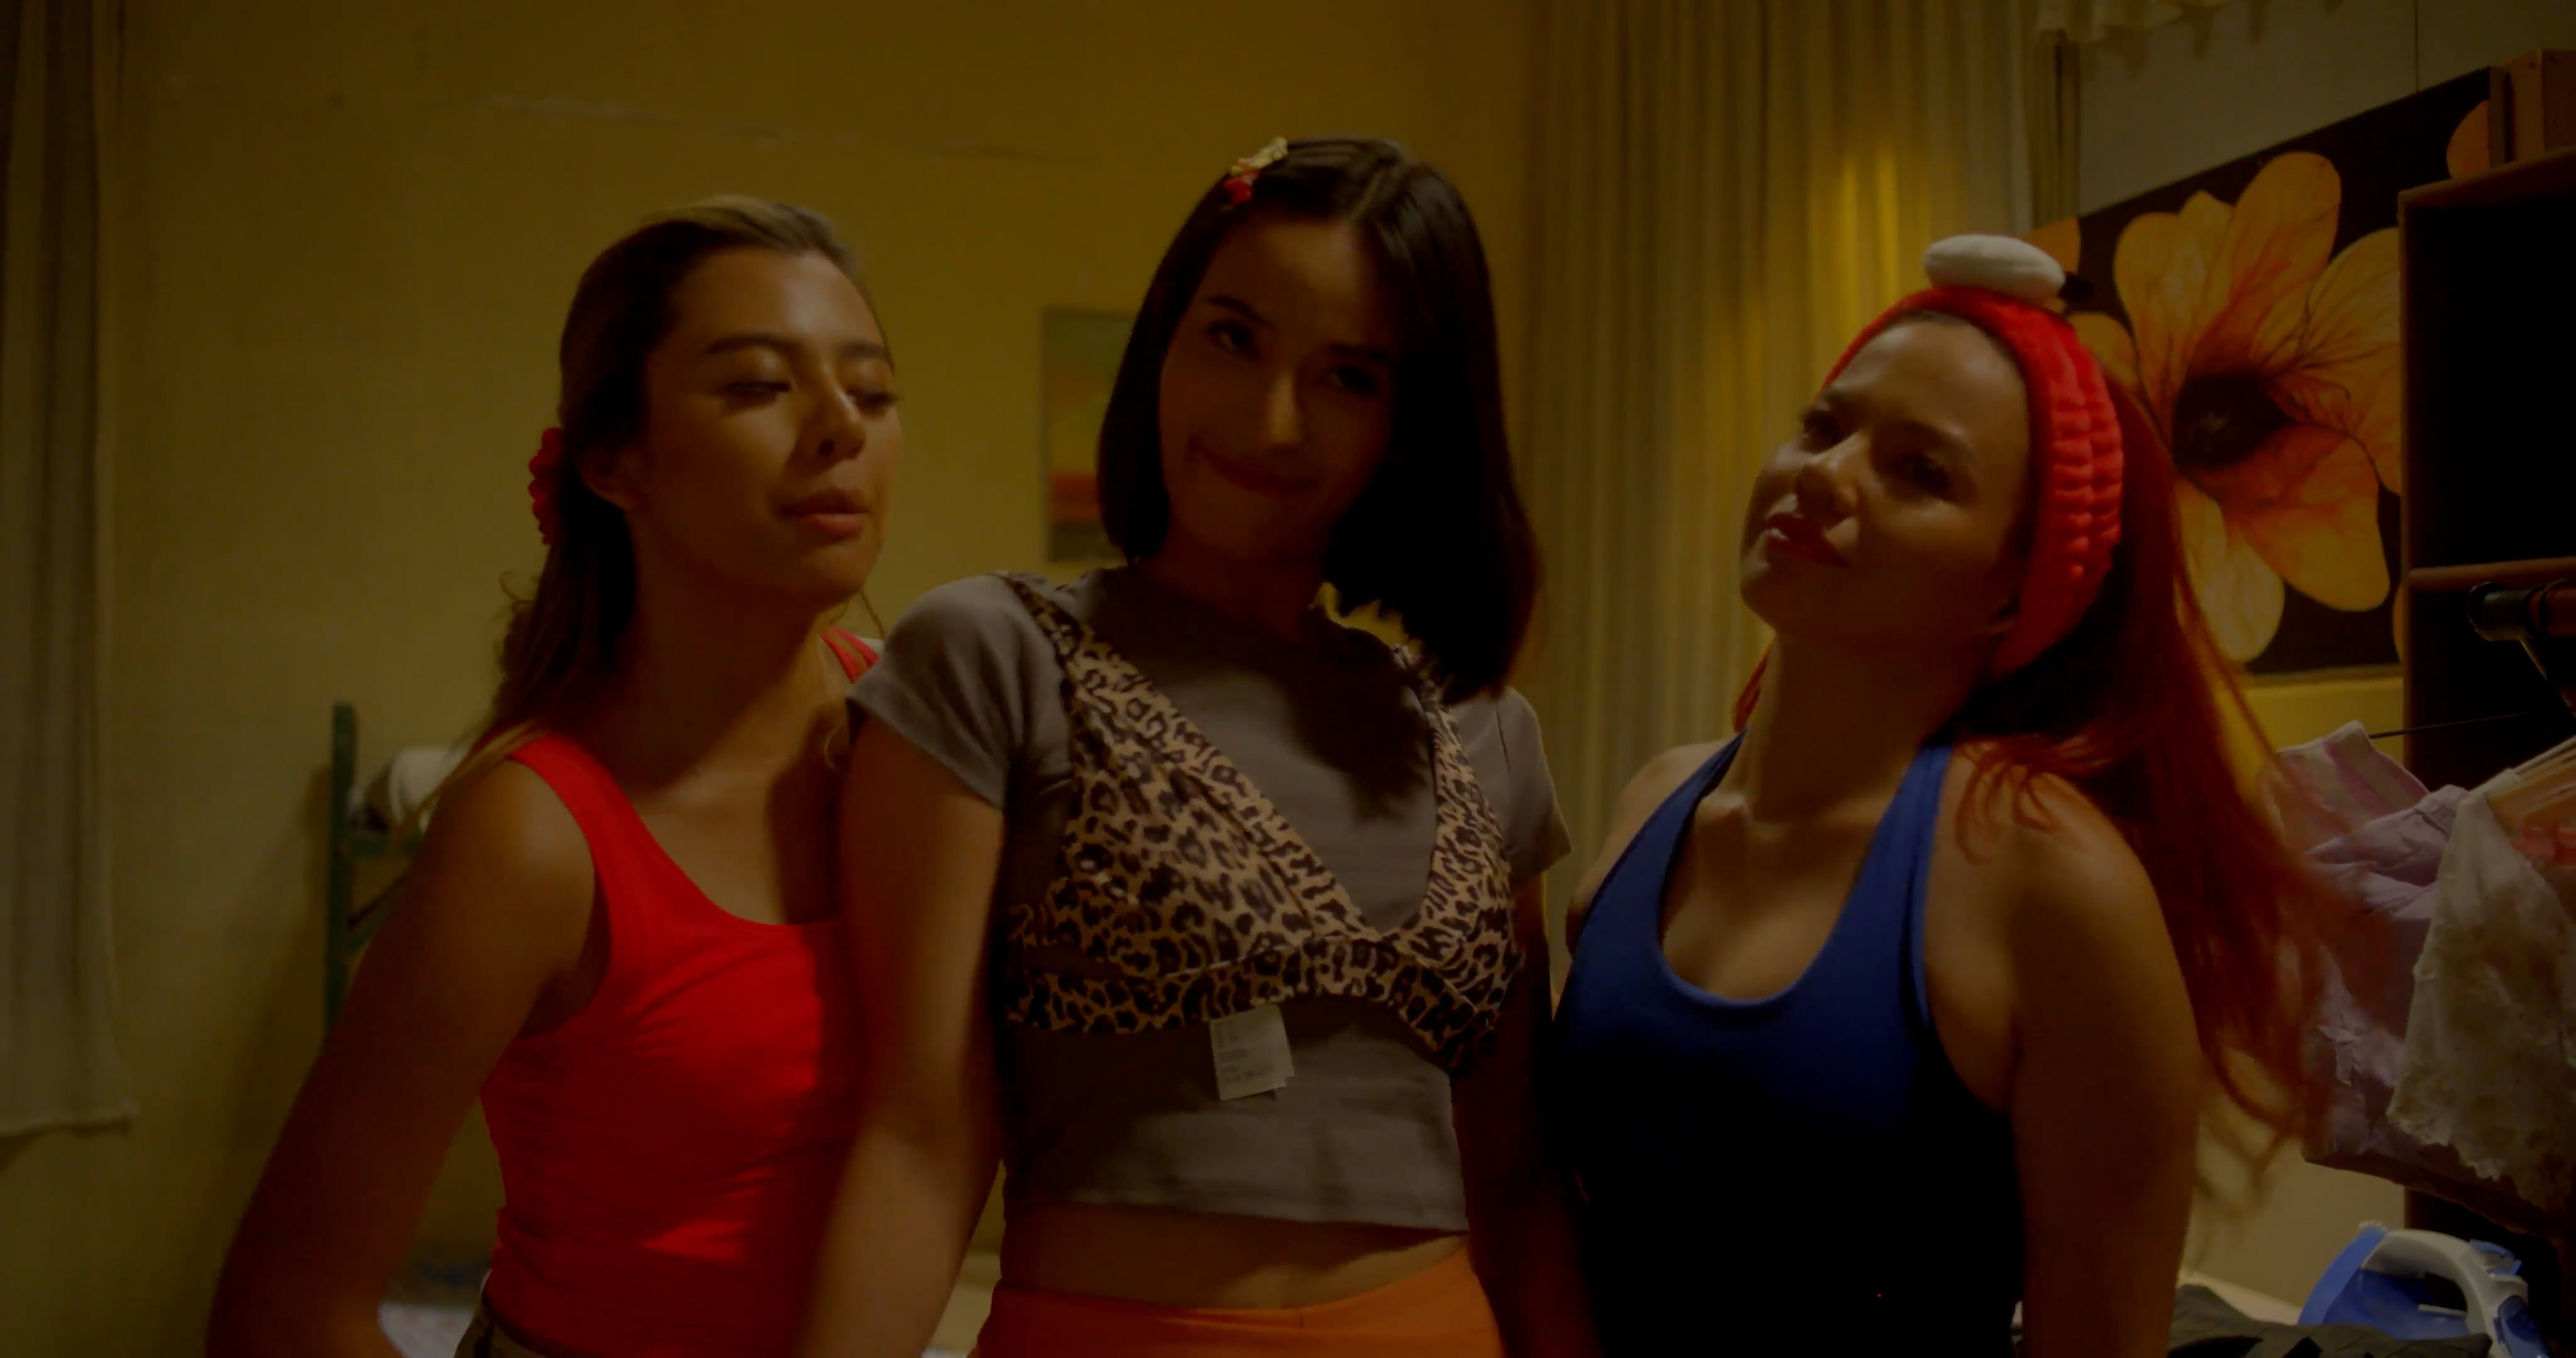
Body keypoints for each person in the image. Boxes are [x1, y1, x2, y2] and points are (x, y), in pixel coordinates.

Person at [801, 137, 1591, 1358]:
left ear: (1414, 421)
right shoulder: (995, 656)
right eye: (1232, 338)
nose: (1269, 420)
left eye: (1347, 378)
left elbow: (1519, 1182)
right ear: (1165, 338)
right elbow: (919, 1135)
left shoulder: (1478, 727)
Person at [1550, 236, 2339, 1356]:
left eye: (1920, 471)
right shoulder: (1657, 799)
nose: (1826, 474)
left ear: (2016, 587)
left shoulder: (2048, 880)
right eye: (1824, 426)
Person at [208, 199, 902, 1358]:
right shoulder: (533, 833)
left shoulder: (922, 725)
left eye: (872, 392)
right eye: (757, 386)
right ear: (615, 463)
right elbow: (283, 1315)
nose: (840, 429)